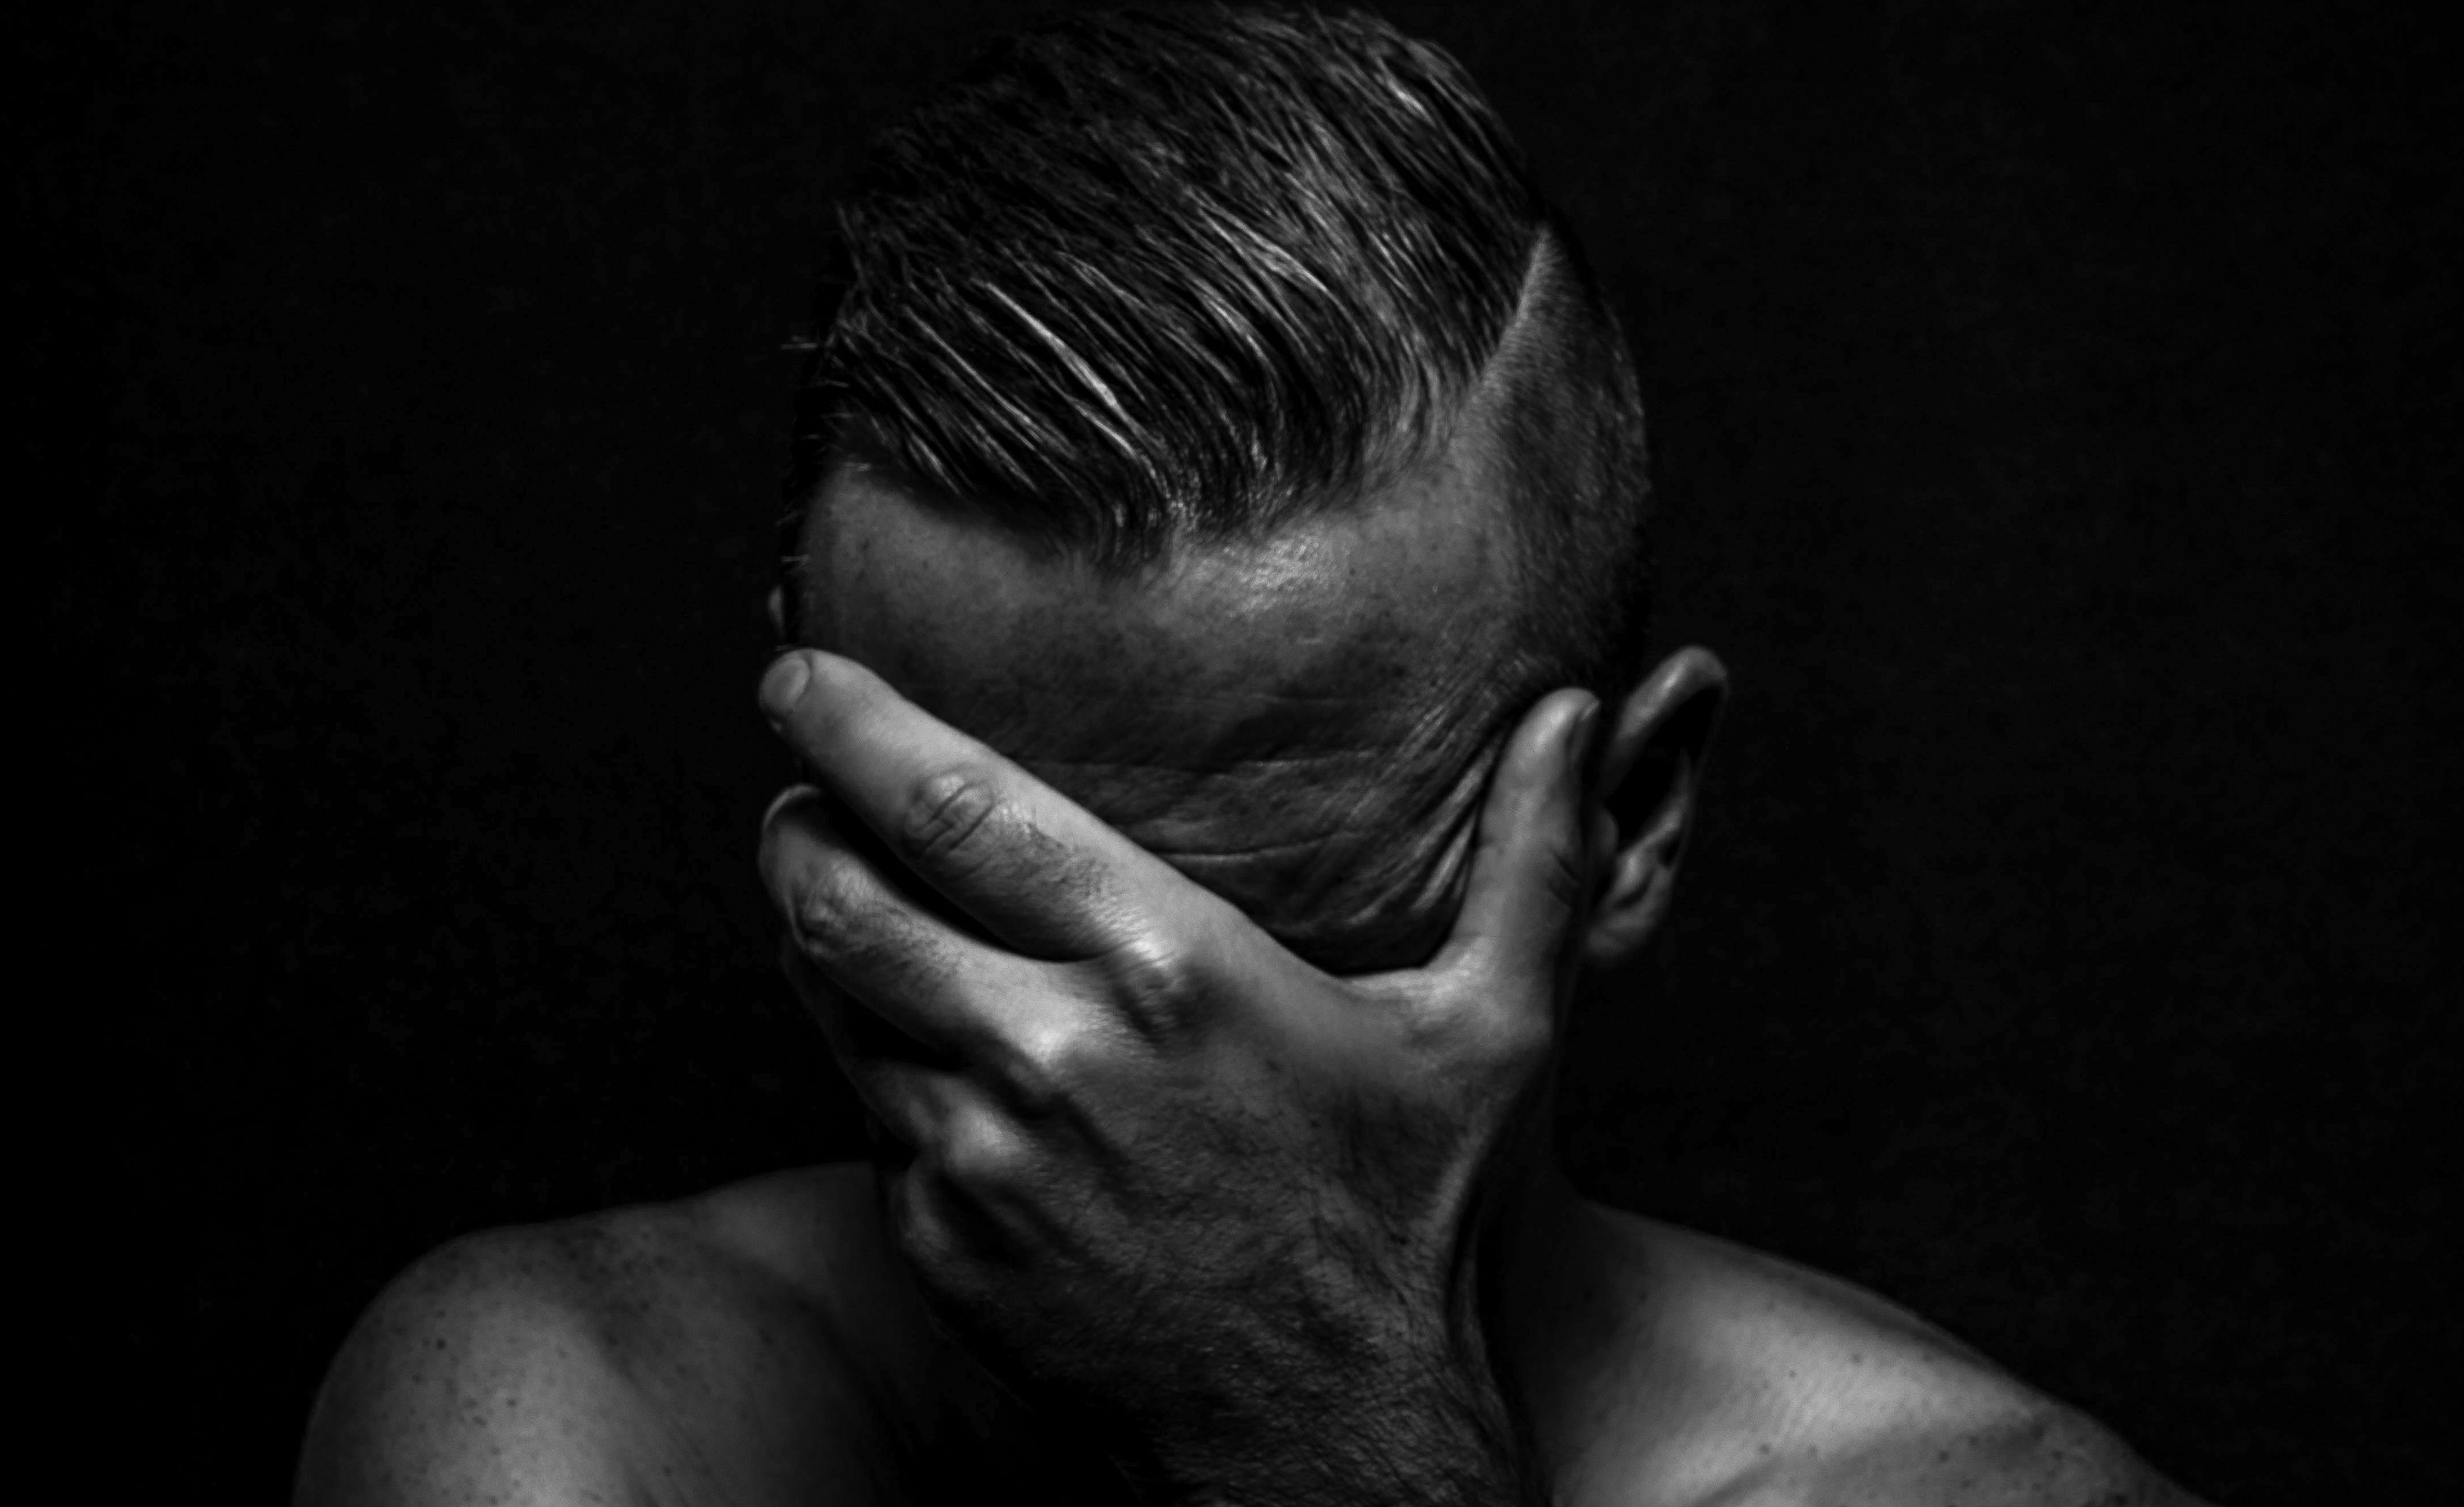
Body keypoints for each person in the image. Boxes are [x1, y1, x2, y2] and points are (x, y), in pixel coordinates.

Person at [295, 9, 2206, 1504]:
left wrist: (1330, 1432)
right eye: (990, 895)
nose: (1131, 1045)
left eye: (1283, 941)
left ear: (1625, 824)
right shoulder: (576, 1409)